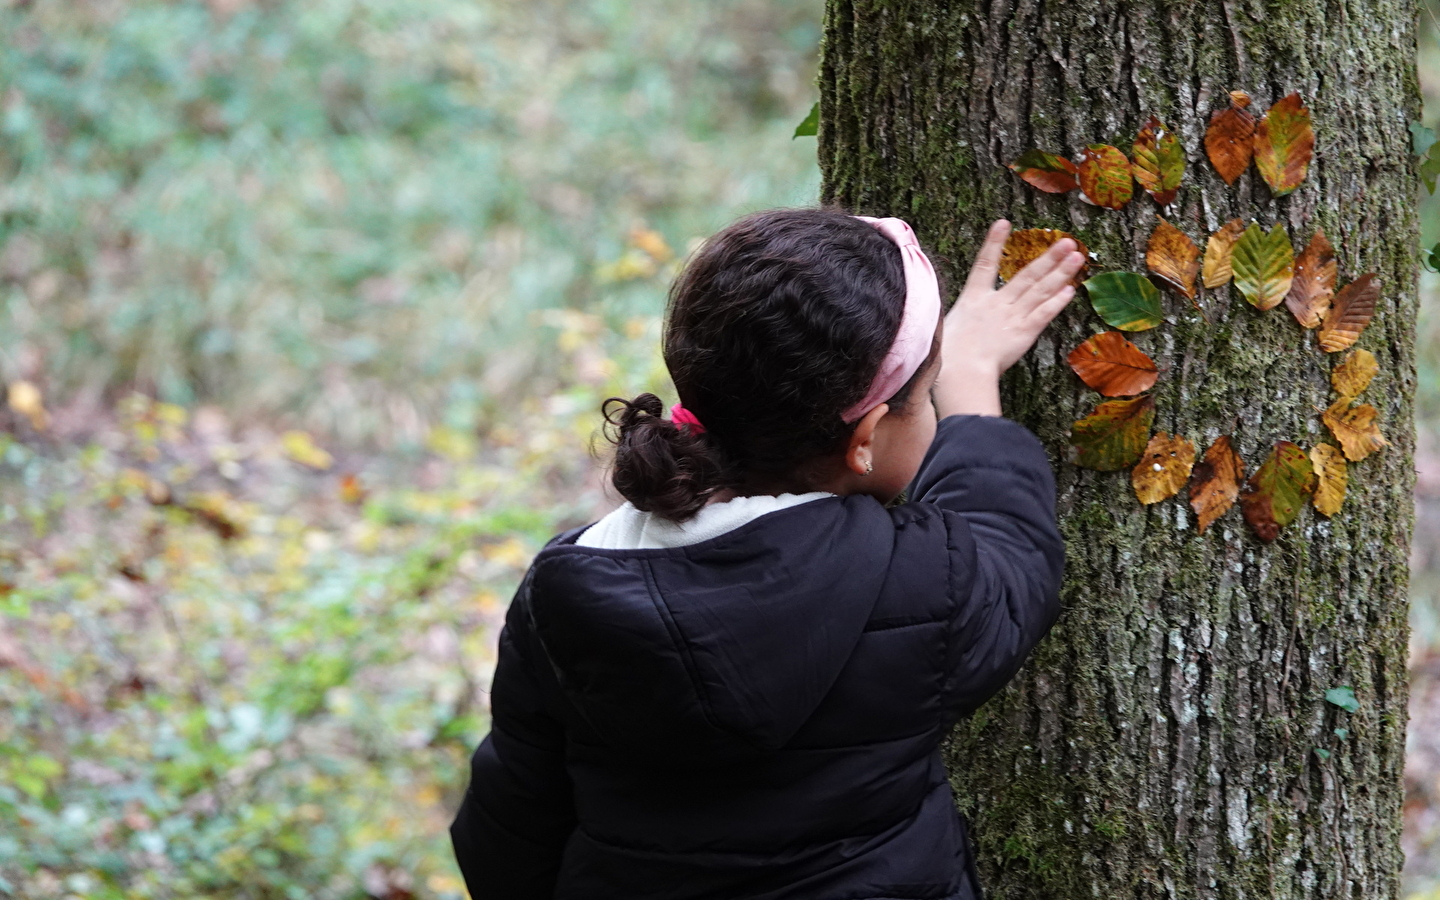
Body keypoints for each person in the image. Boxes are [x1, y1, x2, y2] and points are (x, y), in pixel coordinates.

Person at [450, 208, 1085, 899]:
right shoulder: (921, 582)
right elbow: (1011, 557)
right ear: (865, 439)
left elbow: (508, 828)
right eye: (926, 395)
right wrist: (973, 390)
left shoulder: (568, 589)